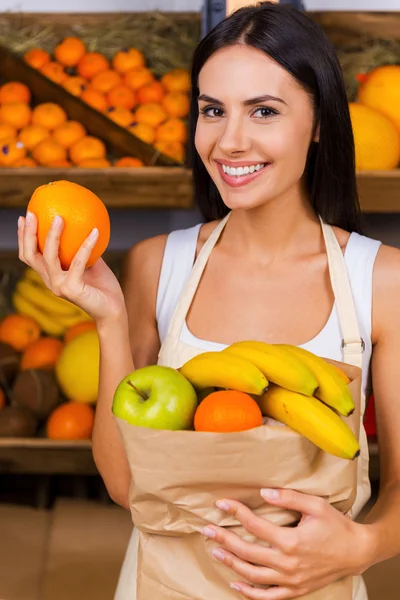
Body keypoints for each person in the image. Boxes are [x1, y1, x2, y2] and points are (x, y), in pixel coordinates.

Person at [17, 3, 400, 599]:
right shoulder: (155, 266)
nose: (230, 140)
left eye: (264, 111)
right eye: (212, 111)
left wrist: (363, 546)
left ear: (321, 121)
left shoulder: (380, 281)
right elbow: (125, 485)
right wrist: (111, 319)